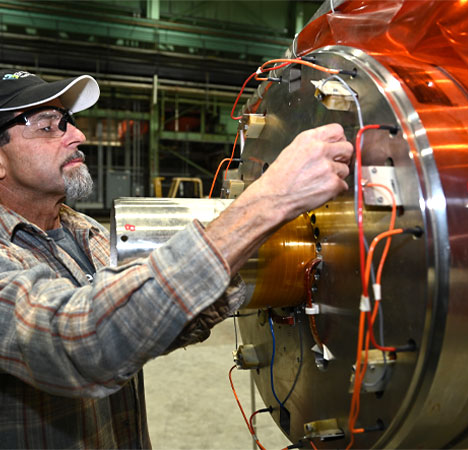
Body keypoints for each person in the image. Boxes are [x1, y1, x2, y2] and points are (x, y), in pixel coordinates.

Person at [0, 69, 354, 447]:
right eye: (47, 126)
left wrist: (261, 264)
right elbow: (82, 342)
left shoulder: (84, 232)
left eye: (68, 122)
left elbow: (141, 324)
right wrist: (265, 203)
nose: (78, 135)